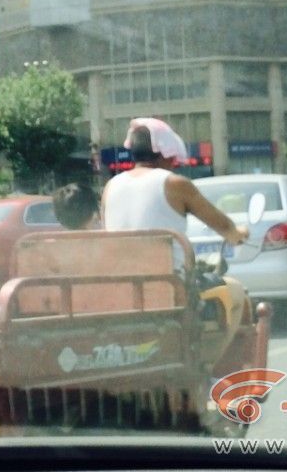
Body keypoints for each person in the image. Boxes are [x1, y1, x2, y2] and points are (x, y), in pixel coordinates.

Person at [101, 117, 249, 363]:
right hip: (170, 286)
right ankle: (208, 368)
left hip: (121, 288)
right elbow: (223, 225)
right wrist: (237, 234)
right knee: (234, 292)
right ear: (165, 152)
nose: (174, 163)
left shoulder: (110, 186)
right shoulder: (174, 183)